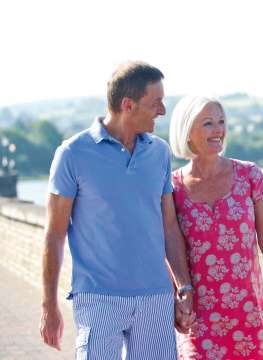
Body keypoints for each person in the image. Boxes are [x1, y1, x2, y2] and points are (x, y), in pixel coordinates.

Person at [39, 61, 194, 359]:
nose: (162, 111)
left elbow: (169, 226)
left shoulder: (159, 152)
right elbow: (54, 234)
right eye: (156, 103)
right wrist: (49, 305)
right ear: (128, 105)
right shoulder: (72, 154)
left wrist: (183, 285)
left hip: (155, 297)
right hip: (98, 298)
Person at [169, 96, 263, 359]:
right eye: (208, 123)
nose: (218, 130)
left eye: (221, 122)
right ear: (187, 131)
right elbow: (171, 245)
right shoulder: (172, 187)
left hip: (247, 312)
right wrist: (179, 294)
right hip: (198, 314)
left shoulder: (249, 175)